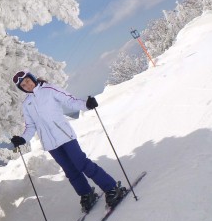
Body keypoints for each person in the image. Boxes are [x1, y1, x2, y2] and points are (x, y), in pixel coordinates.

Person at [10, 70, 126, 212]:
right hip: (50, 144)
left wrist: (86, 105)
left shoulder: (49, 89)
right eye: (23, 85)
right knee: (70, 171)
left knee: (82, 163)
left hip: (64, 136)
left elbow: (70, 100)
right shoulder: (26, 104)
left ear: (32, 78)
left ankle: (112, 188)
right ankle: (86, 193)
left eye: (27, 80)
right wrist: (22, 139)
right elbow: (30, 126)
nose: (26, 85)